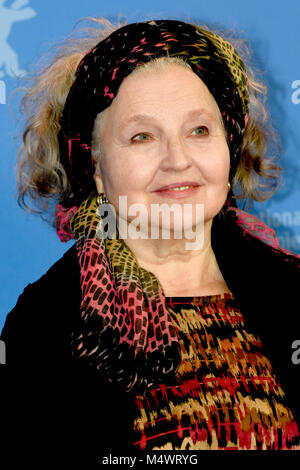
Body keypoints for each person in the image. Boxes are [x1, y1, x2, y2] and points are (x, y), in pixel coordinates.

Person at [1, 16, 300, 463]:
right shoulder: (44, 324)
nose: (178, 160)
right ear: (95, 167)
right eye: (142, 136)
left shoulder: (293, 290)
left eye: (199, 130)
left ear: (230, 144)